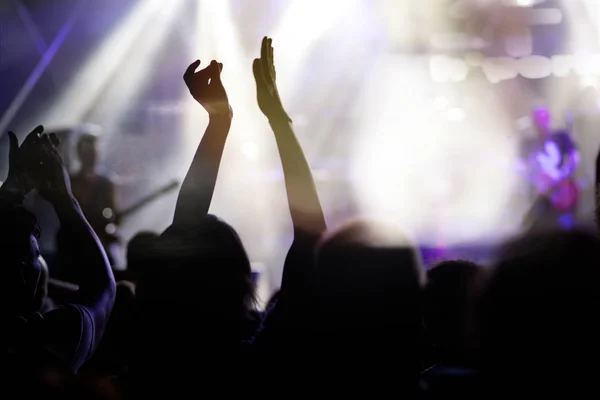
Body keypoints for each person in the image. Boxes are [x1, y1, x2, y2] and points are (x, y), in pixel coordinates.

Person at [3, 126, 116, 373]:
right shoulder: (47, 340)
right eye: (36, 254)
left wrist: (11, 193)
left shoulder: (106, 183)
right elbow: (104, 287)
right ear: (23, 271)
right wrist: (65, 199)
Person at [523, 107, 580, 230]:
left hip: (561, 190)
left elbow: (574, 158)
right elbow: (522, 166)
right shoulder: (529, 142)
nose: (541, 122)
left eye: (543, 118)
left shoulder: (561, 136)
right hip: (541, 193)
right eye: (537, 119)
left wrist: (561, 175)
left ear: (549, 118)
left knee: (564, 226)